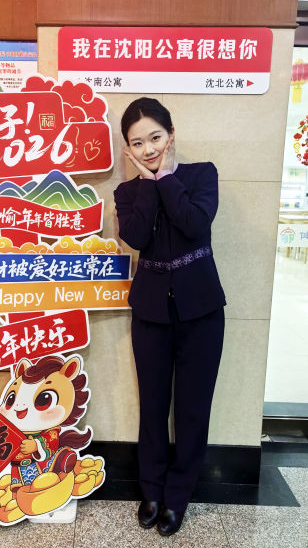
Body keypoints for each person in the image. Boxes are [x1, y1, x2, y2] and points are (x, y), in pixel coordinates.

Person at [113, 97, 226, 537]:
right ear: (128, 149)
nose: (148, 149)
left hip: (202, 312)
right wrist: (147, 183)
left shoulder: (202, 175)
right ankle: (153, 490)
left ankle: (177, 497)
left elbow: (195, 225)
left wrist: (165, 178)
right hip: (151, 314)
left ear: (171, 135)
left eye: (155, 137)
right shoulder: (126, 193)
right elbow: (138, 237)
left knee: (193, 410)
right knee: (153, 406)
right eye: (137, 143)